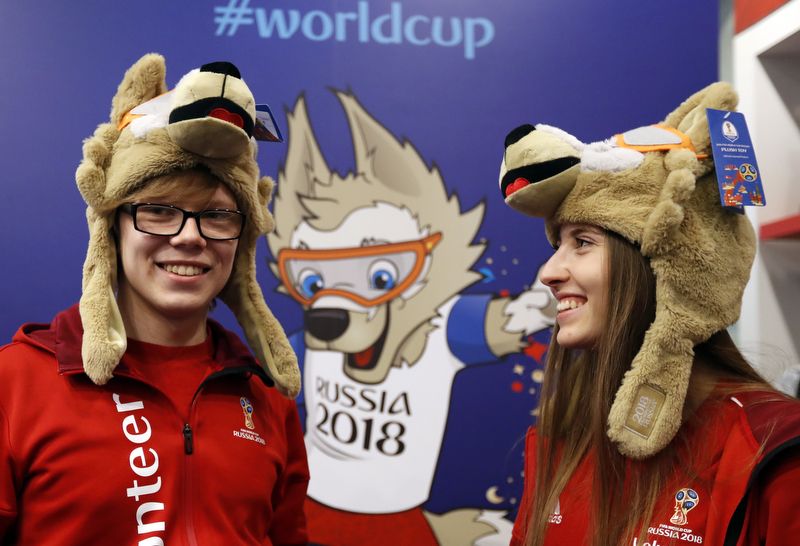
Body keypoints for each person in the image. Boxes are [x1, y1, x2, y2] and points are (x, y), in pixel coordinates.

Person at [0, 54, 308, 545]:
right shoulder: (16, 384)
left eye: (217, 216)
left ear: (242, 240)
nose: (189, 237)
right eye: (159, 210)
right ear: (113, 228)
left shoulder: (267, 399)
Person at [498, 83, 800, 546]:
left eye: (583, 242)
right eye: (558, 243)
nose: (549, 272)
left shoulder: (773, 448)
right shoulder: (561, 439)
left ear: (670, 267)